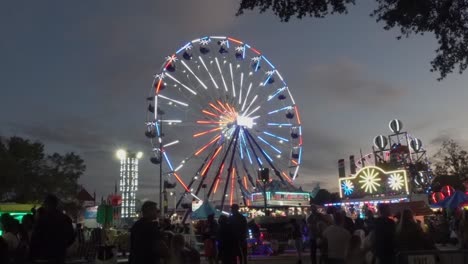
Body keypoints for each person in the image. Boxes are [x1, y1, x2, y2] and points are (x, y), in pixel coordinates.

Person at [30, 194, 75, 264]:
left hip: (43, 256)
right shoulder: (65, 218)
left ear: (47, 204)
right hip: (59, 256)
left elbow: (35, 237)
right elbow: (71, 237)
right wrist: (62, 246)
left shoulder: (42, 219)